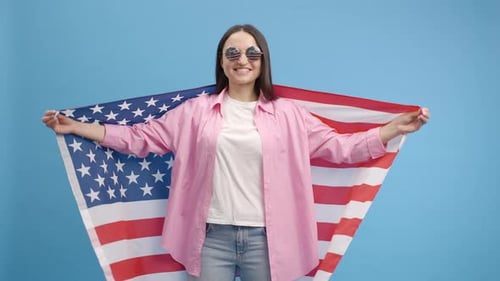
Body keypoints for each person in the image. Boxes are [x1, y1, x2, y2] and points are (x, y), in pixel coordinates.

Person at [42, 24, 430, 281]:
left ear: (262, 61)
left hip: (268, 239)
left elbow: (342, 149)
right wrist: (77, 127)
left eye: (251, 53)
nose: (242, 60)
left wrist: (393, 128)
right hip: (210, 237)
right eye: (233, 53)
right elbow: (141, 138)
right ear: (222, 62)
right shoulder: (195, 113)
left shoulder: (289, 115)